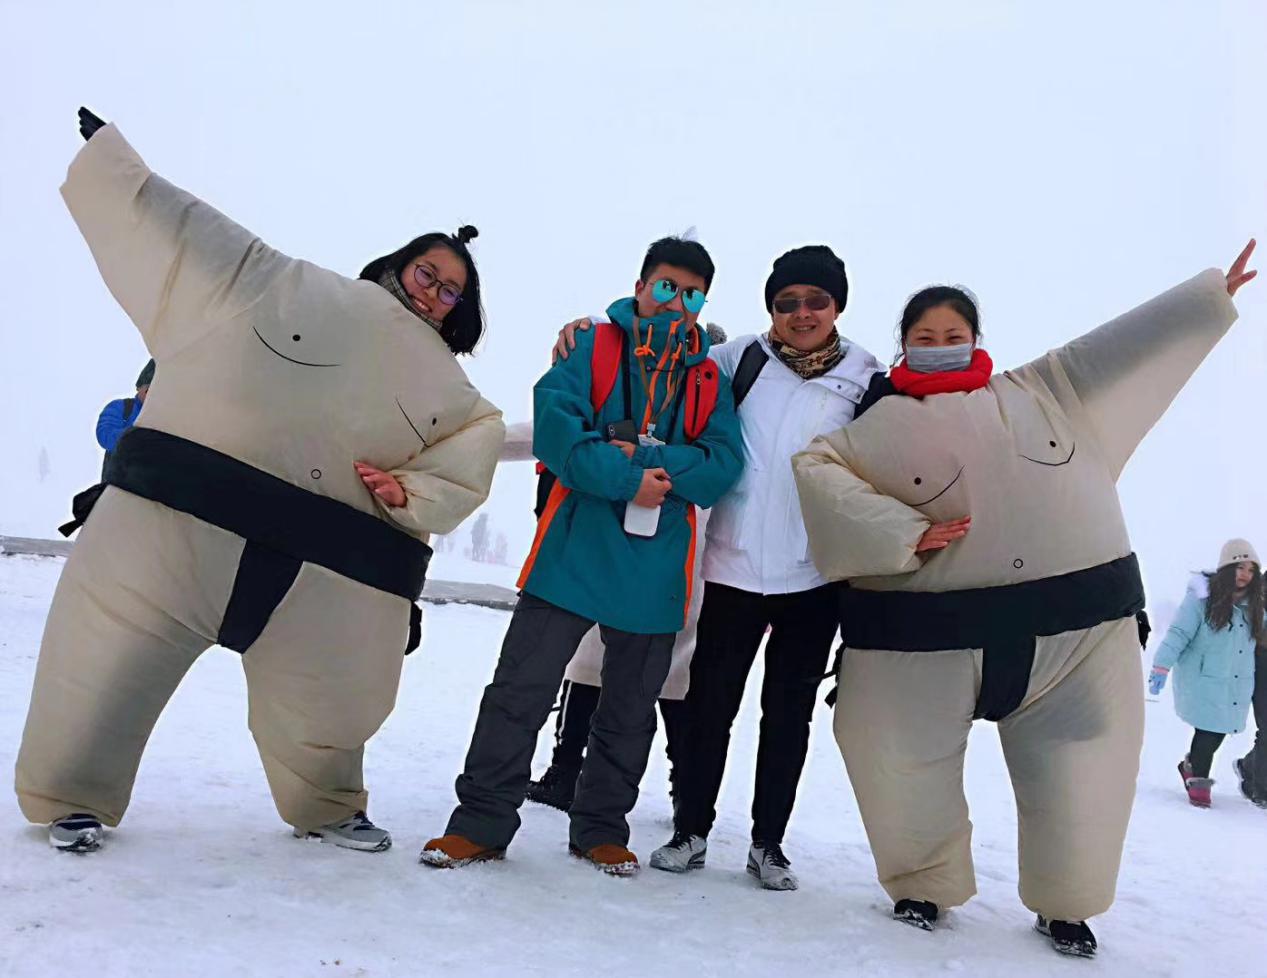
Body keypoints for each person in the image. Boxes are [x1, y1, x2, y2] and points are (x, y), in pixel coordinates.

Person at [15, 108, 504, 855]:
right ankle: (71, 796)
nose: (433, 291)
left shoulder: (453, 396)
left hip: (332, 575)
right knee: (99, 669)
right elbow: (187, 241)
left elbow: (470, 454)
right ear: (397, 264)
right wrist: (115, 165)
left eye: (449, 291)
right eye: (427, 273)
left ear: (460, 314)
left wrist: (414, 495)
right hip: (174, 529)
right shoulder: (276, 286)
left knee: (330, 713)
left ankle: (329, 803)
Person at [791, 242, 1256, 958]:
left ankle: (1065, 906)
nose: (940, 348)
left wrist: (1202, 299)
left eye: (953, 337)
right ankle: (922, 884)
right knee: (894, 759)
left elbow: (1120, 347)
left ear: (975, 340)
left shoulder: (1046, 389)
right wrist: (905, 531)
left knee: (1085, 773)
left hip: (1072, 640)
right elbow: (815, 474)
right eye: (924, 339)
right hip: (917, 642)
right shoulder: (866, 432)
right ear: (903, 345)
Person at [553, 246, 882, 889]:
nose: (801, 313)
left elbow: (901, 446)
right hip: (731, 569)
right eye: (786, 302)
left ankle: (768, 844)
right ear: (770, 308)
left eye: (816, 300)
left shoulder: (867, 377)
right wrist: (583, 330)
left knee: (788, 715)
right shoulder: (737, 361)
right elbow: (661, 355)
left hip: (814, 578)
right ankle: (692, 830)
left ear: (838, 304)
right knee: (710, 708)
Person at [422, 236, 743, 876]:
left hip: (655, 573)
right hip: (570, 555)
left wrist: (643, 461)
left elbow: (722, 466)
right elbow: (560, 433)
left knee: (628, 714)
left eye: (692, 293)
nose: (677, 302)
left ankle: (600, 828)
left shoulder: (711, 377)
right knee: (518, 693)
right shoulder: (593, 347)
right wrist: (628, 478)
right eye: (666, 287)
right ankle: (481, 823)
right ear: (642, 284)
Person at [513, 325, 727, 814]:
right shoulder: (624, 404)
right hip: (611, 550)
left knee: (669, 683)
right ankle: (567, 771)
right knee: (590, 671)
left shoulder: (711, 415)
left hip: (682, 563)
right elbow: (542, 435)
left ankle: (680, 790)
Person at [1149, 540, 1262, 807]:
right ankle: (1198, 778)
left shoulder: (1254, 607)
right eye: (1239, 567)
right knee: (1209, 731)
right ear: (1226, 568)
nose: (1245, 574)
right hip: (1204, 679)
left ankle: (1191, 766)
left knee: (1219, 730)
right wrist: (1161, 666)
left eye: (1250, 569)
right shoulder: (1201, 600)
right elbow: (1179, 633)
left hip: (1235, 683)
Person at [95, 359, 154, 474]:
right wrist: (139, 435)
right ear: (139, 387)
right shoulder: (121, 407)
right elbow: (105, 435)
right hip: (119, 482)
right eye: (148, 389)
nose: (151, 395)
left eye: (156, 391)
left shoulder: (164, 416)